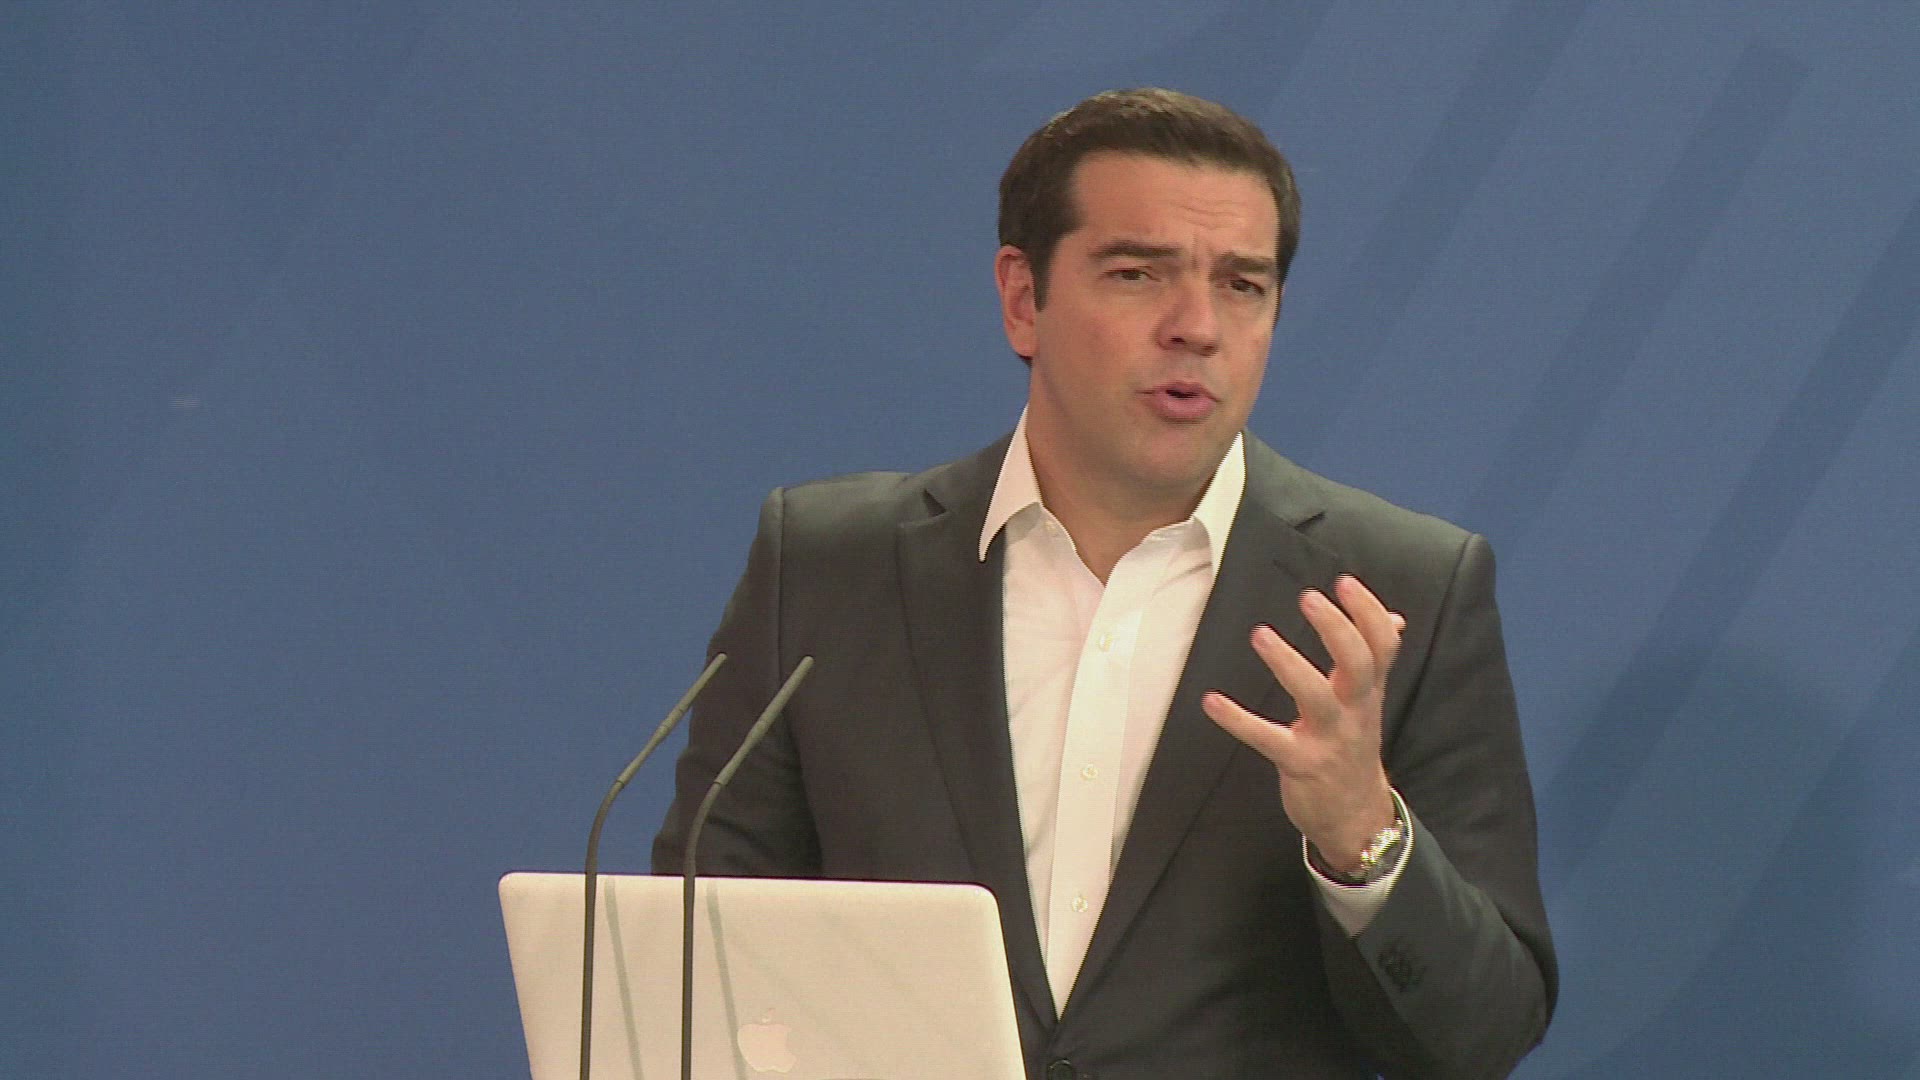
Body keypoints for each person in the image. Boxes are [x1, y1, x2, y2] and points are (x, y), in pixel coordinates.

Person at [654, 88, 1556, 1079]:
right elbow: (700, 958)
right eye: (1137, 274)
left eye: (1243, 285)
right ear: (1022, 299)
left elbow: (1482, 1037)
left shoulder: (1395, 594)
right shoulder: (830, 567)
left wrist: (1364, 838)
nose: (1197, 327)